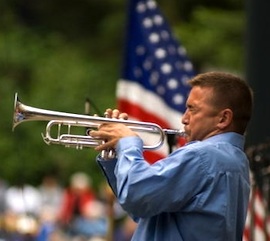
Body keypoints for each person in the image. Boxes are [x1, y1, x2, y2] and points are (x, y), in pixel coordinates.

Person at [90, 71, 253, 241]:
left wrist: (128, 143)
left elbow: (138, 195)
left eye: (192, 109)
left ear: (223, 118)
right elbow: (144, 207)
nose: (184, 118)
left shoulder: (203, 156)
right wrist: (115, 153)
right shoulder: (235, 160)